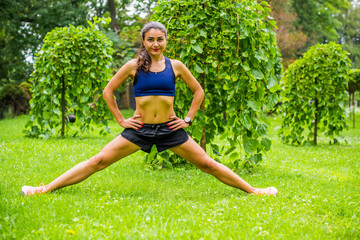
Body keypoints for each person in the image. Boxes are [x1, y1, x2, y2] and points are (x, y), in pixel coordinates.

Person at [22, 22, 277, 197]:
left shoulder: (175, 66)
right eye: (150, 39)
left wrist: (187, 119)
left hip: (169, 128)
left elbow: (199, 92)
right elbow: (107, 91)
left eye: (160, 39)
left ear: (166, 40)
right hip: (140, 129)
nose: (155, 44)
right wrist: (121, 120)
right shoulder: (133, 65)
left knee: (208, 164)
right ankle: (43, 189)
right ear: (144, 41)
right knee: (98, 161)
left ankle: (255, 191)